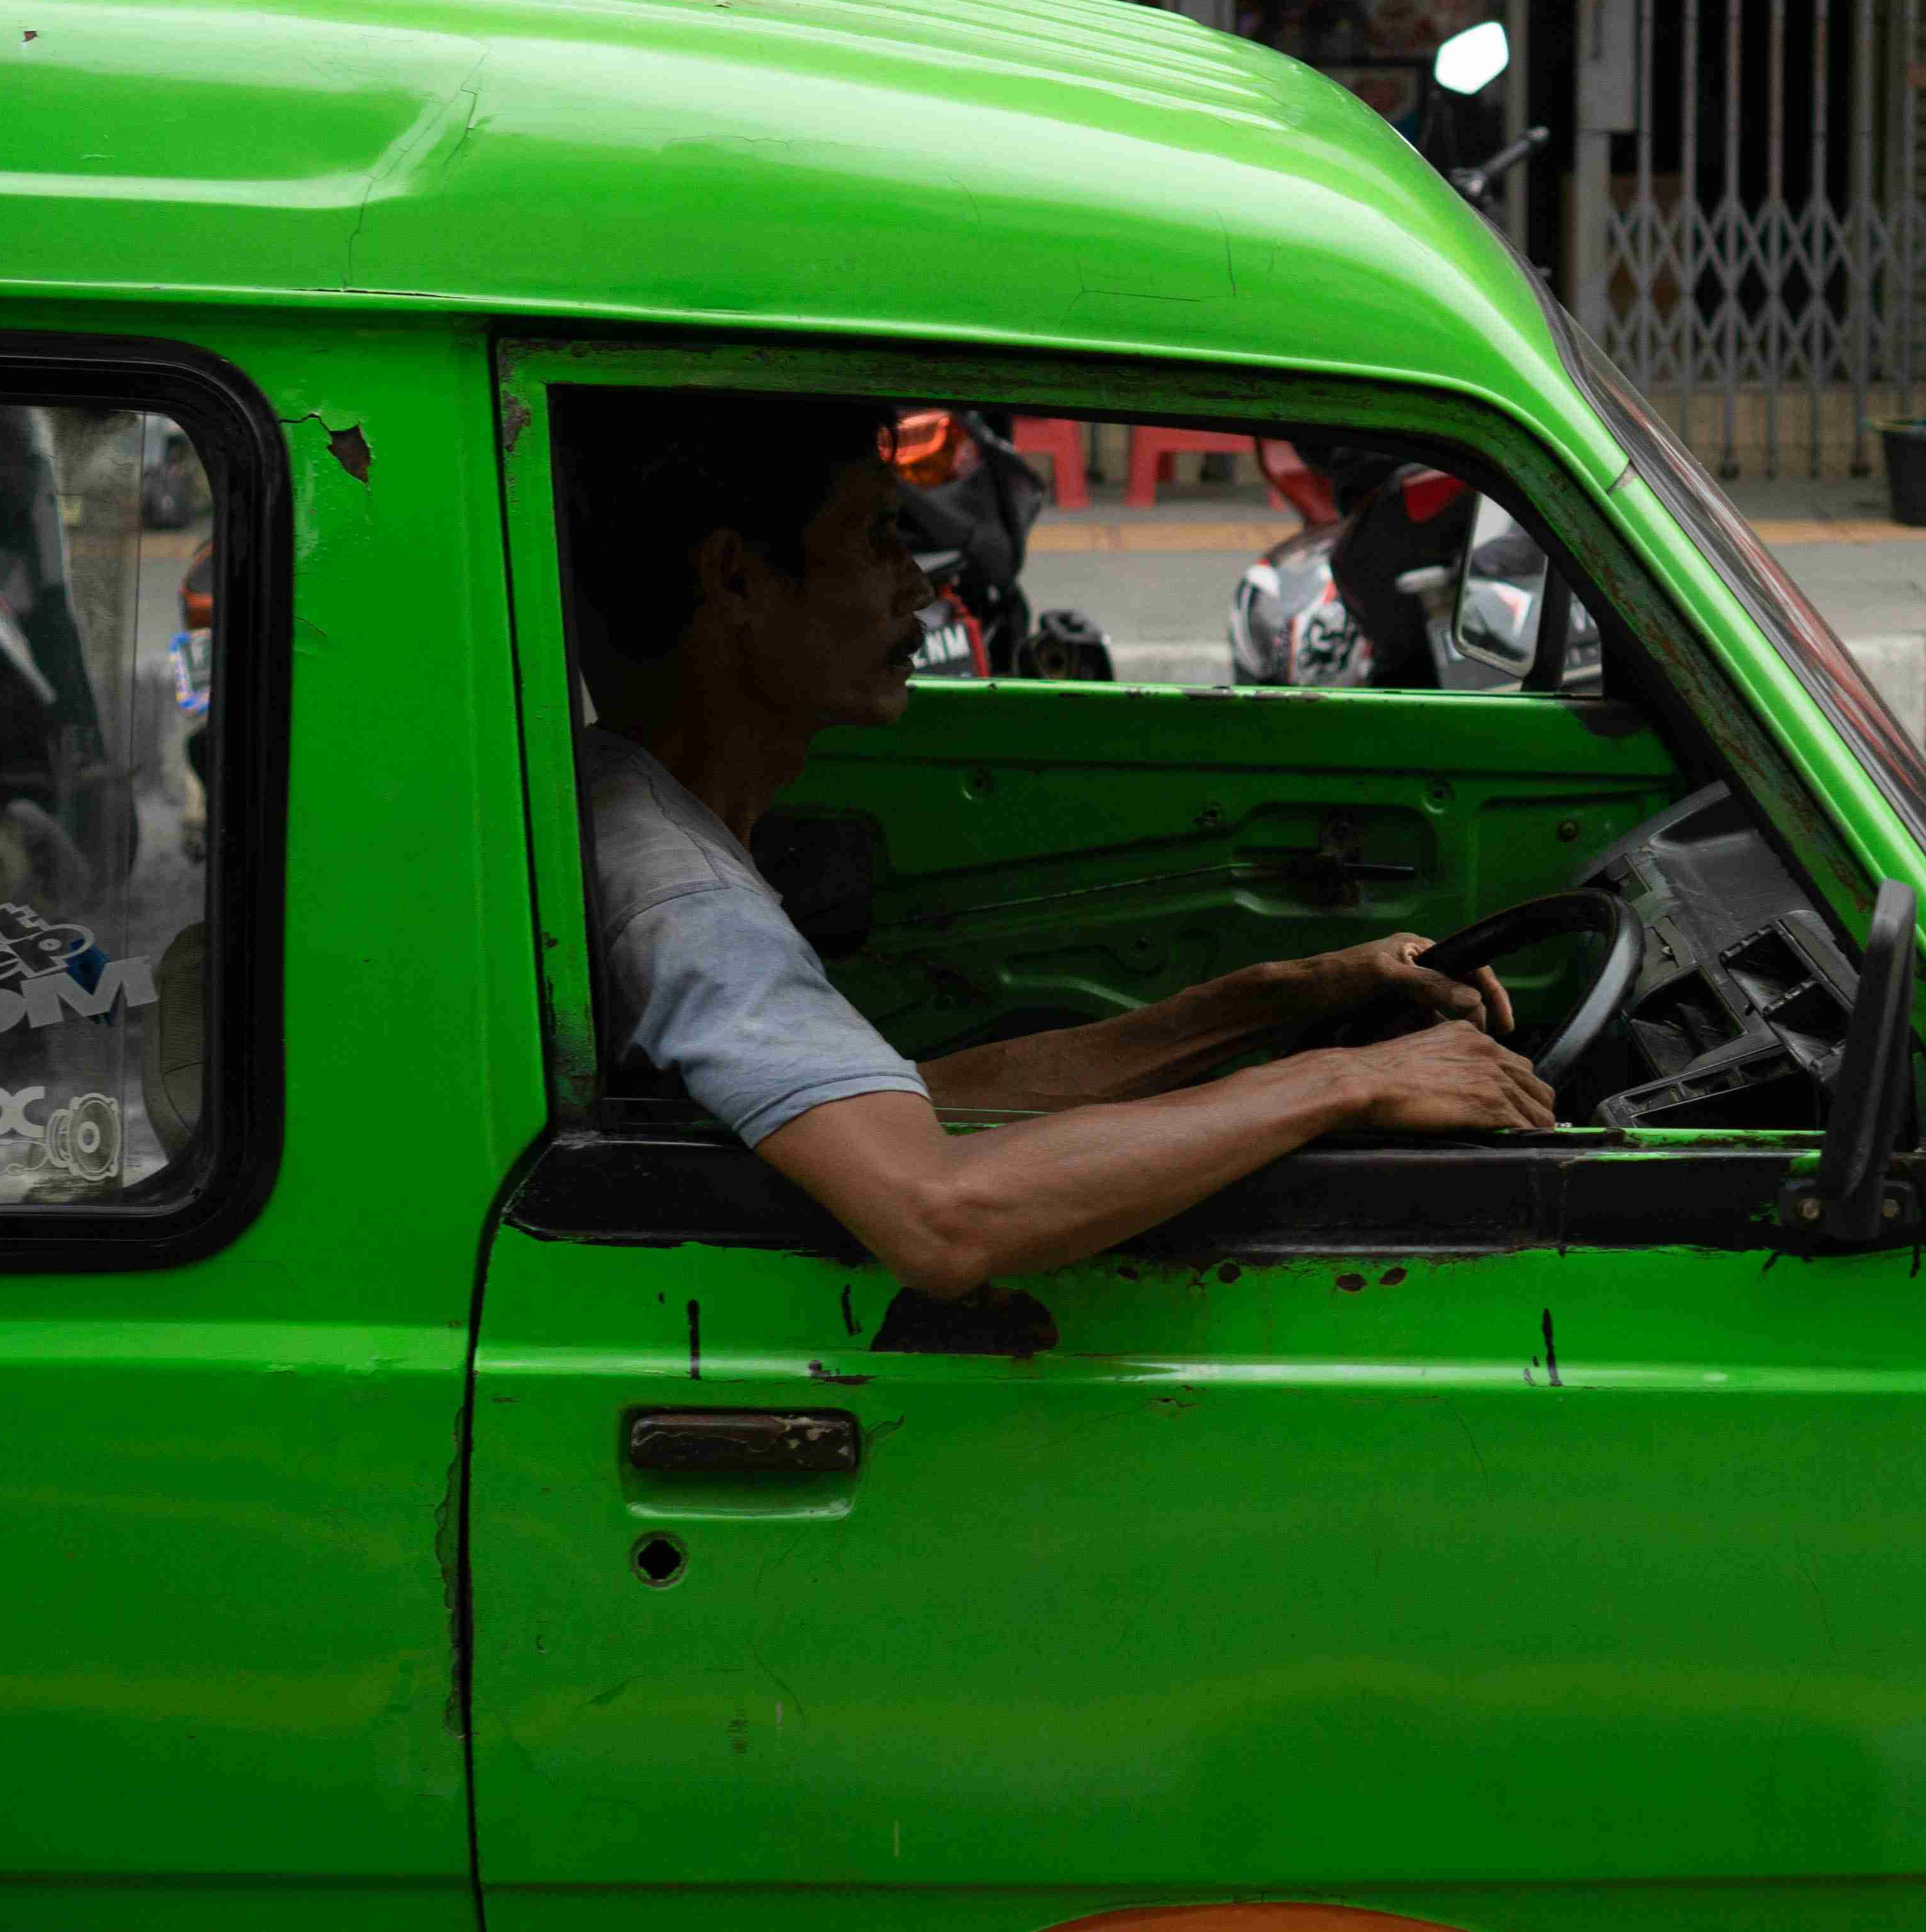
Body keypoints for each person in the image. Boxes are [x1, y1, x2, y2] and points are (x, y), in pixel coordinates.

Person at [564, 393, 1555, 1296]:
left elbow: (921, 1103)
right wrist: (1352, 1081)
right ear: (735, 580)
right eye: (874, 540)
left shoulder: (639, 807)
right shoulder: (689, 905)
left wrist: (1287, 997)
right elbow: (941, 1214)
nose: (916, 586)